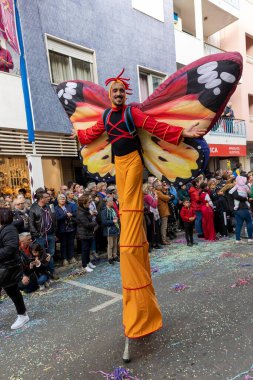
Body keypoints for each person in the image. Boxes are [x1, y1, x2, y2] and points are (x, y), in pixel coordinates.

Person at [71, 71, 205, 338]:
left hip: (133, 162)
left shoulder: (132, 113)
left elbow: (156, 127)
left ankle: (131, 231)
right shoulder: (107, 117)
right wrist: (76, 132)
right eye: (115, 92)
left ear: (125, 94)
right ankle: (129, 229)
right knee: (124, 200)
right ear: (110, 96)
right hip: (117, 164)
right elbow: (89, 135)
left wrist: (183, 133)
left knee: (131, 204)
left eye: (122, 91)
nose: (119, 94)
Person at [0, 208, 29, 329]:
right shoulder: (4, 228)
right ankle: (22, 314)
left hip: (8, 267)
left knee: (13, 292)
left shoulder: (9, 229)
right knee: (13, 292)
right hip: (5, 267)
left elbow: (10, 248)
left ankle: (22, 315)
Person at [29, 191, 58, 280]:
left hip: (50, 235)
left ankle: (52, 272)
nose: (49, 198)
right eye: (46, 197)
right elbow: (31, 224)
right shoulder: (33, 209)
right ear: (41, 199)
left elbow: (54, 219)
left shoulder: (50, 206)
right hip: (40, 236)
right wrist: (37, 235)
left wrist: (54, 233)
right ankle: (45, 274)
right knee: (42, 256)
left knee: (51, 254)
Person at [76, 195, 97, 273]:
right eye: (88, 202)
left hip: (87, 233)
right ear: (83, 203)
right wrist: (94, 223)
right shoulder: (81, 213)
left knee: (88, 249)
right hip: (84, 233)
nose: (89, 204)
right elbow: (87, 224)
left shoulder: (85, 209)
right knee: (85, 250)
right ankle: (84, 265)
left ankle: (88, 262)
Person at [55, 194, 77, 266]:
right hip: (62, 229)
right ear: (58, 200)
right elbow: (57, 218)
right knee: (63, 244)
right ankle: (64, 259)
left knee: (71, 243)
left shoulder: (69, 206)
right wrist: (66, 215)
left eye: (64, 199)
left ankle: (71, 257)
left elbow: (75, 214)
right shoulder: (56, 208)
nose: (62, 200)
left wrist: (72, 215)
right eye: (61, 199)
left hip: (70, 228)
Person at [101, 197, 120, 264]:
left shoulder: (112, 210)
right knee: (110, 244)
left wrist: (116, 219)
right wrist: (112, 221)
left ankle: (115, 255)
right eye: (111, 201)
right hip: (109, 230)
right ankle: (110, 257)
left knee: (115, 243)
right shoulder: (104, 211)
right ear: (107, 202)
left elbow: (115, 217)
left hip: (115, 228)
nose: (112, 202)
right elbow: (104, 221)